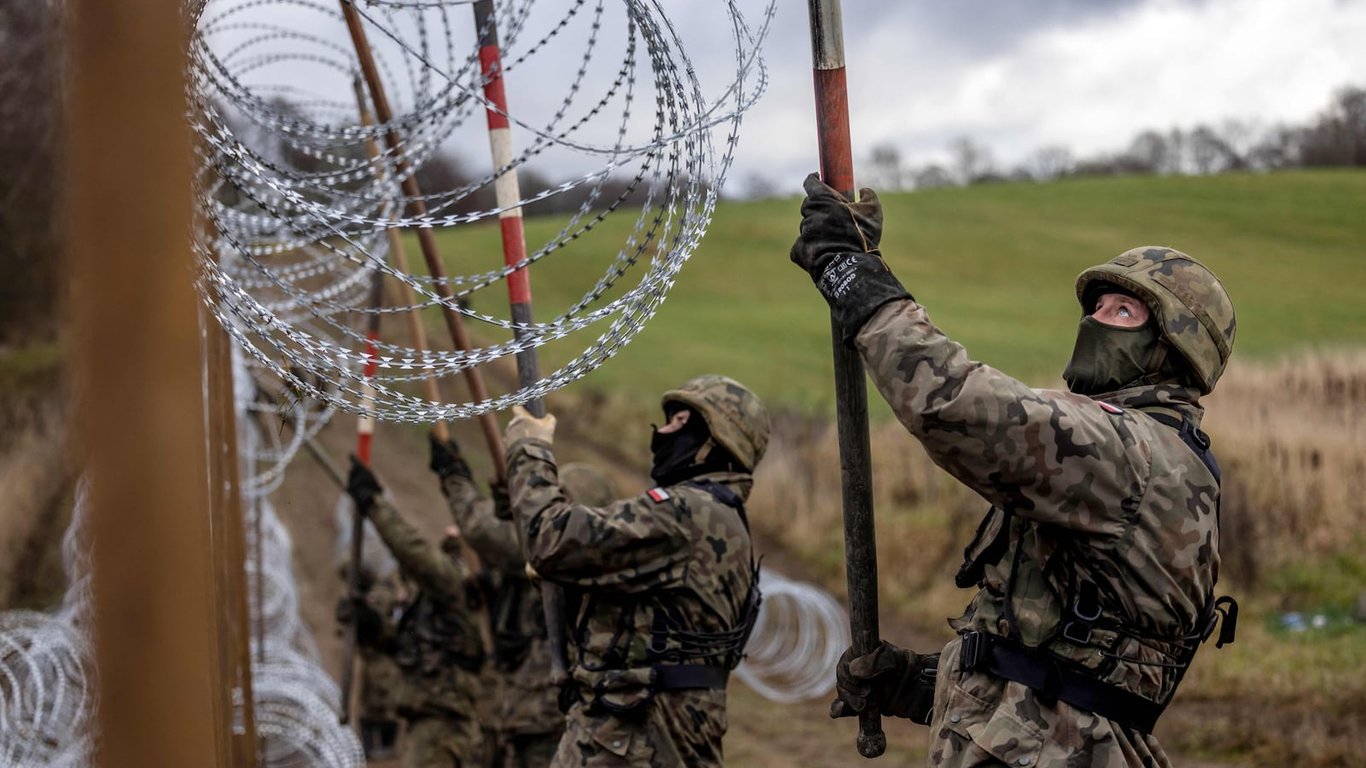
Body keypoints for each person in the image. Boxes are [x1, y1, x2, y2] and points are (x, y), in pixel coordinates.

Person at [789, 173, 1239, 767]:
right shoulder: (1137, 450)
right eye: (1095, 307)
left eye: (1123, 310)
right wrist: (926, 682)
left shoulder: (1133, 453)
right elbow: (1070, 667)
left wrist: (854, 274)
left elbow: (953, 404)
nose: (1097, 321)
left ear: (1172, 350)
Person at [502, 377, 769, 767]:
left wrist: (530, 448)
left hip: (632, 743)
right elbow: (643, 625)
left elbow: (549, 540)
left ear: (718, 439)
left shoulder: (686, 514)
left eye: (680, 421)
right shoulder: (721, 518)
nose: (661, 432)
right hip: (649, 738)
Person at [428, 432, 617, 768]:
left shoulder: (565, 552)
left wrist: (455, 478)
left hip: (547, 717)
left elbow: (487, 533)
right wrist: (509, 501)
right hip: (525, 712)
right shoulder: (571, 553)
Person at [347, 458, 486, 768]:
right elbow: (411, 647)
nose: (451, 529)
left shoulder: (459, 587)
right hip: (433, 722)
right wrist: (373, 627)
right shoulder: (442, 601)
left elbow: (416, 553)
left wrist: (374, 504)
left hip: (445, 726)